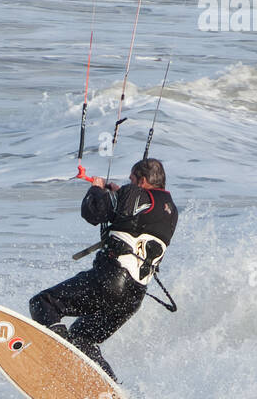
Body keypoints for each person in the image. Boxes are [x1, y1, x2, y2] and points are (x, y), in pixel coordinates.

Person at [29, 157, 178, 381]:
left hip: (110, 282)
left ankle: (59, 361)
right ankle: (110, 391)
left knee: (43, 303)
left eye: (131, 179)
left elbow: (95, 213)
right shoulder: (171, 210)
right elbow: (137, 218)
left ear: (143, 181)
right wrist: (118, 195)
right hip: (133, 298)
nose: (128, 182)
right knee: (82, 338)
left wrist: (97, 189)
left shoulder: (134, 194)